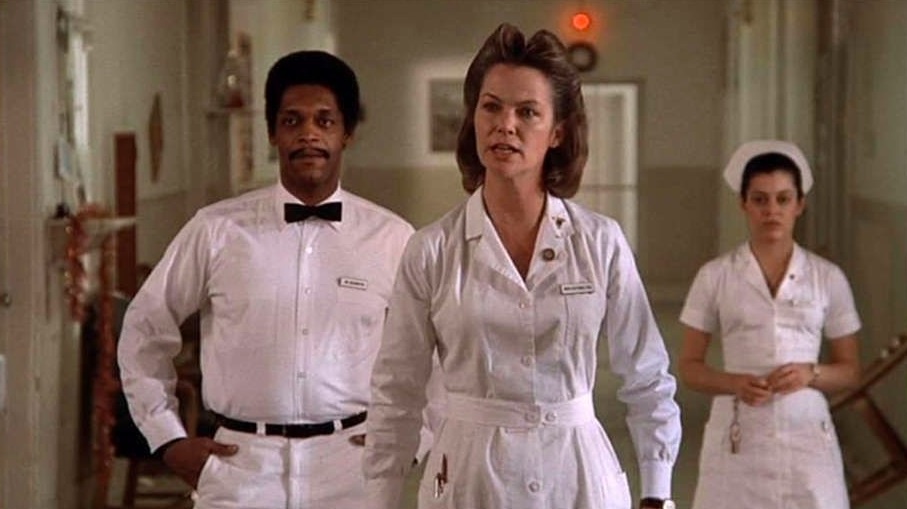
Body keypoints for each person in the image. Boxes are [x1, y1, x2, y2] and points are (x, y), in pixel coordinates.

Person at [364, 23, 680, 509]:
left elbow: (647, 375)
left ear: (557, 132)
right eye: (491, 107)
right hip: (470, 479)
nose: (505, 125)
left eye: (527, 112)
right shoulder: (431, 250)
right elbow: (397, 392)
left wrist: (657, 491)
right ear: (473, 120)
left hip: (577, 475)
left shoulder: (600, 242)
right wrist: (379, 498)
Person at [118, 50, 427, 508]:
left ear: (347, 133)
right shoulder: (217, 230)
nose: (308, 134)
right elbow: (145, 326)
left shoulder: (392, 238)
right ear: (272, 133)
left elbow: (439, 350)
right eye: (292, 120)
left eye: (325, 121)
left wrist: (418, 439)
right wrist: (167, 438)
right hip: (240, 471)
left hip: (353, 471)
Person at [678, 140, 861, 509]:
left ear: (799, 205)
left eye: (783, 199)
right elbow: (689, 367)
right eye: (760, 199)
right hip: (739, 434)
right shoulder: (715, 276)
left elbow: (850, 371)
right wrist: (733, 383)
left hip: (807, 437)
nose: (772, 210)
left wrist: (811, 374)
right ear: (743, 204)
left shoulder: (827, 277)